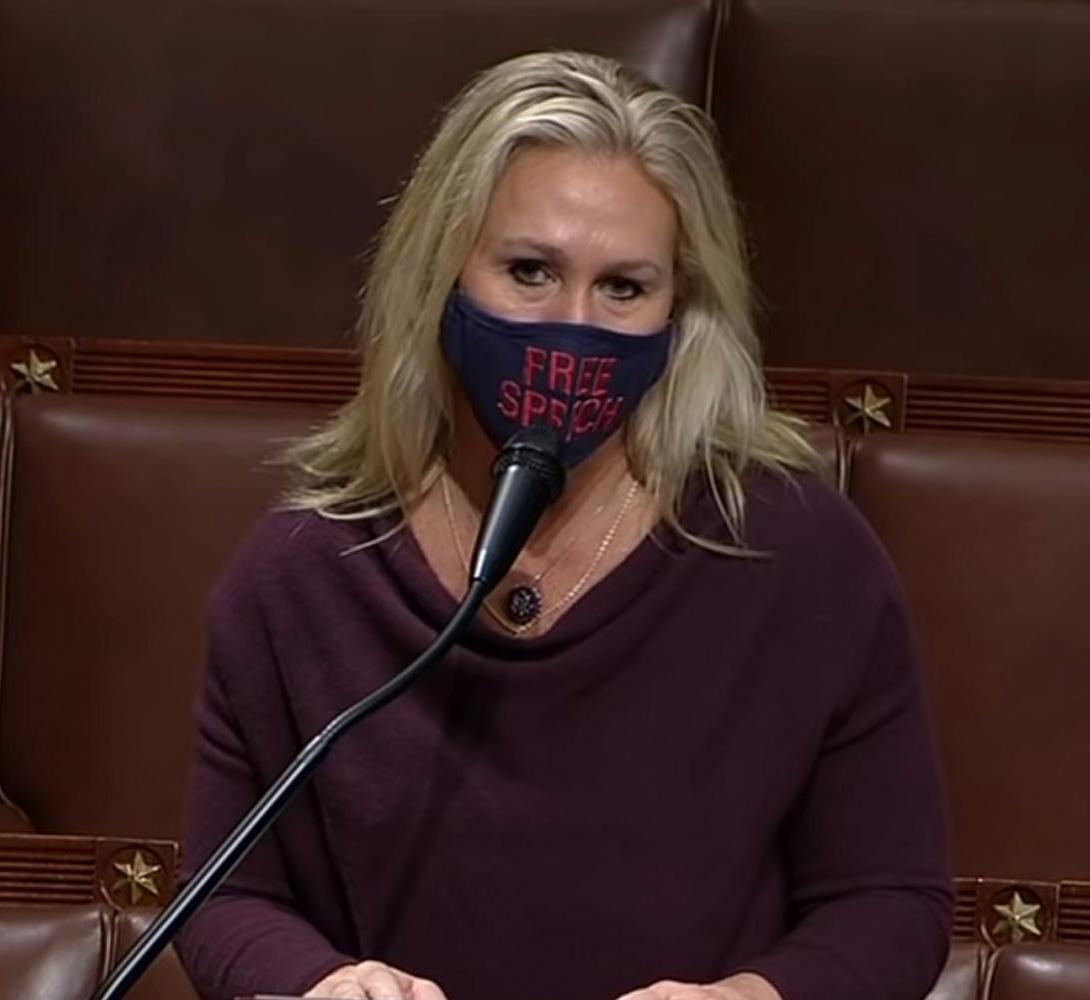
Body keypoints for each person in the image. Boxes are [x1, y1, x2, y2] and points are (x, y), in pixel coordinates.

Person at [176, 50, 952, 1000]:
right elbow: (224, 895)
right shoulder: (304, 570)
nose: (572, 326)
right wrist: (320, 984)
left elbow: (891, 902)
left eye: (624, 288)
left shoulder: (796, 556)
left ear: (683, 309)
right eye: (530, 271)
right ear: (439, 277)